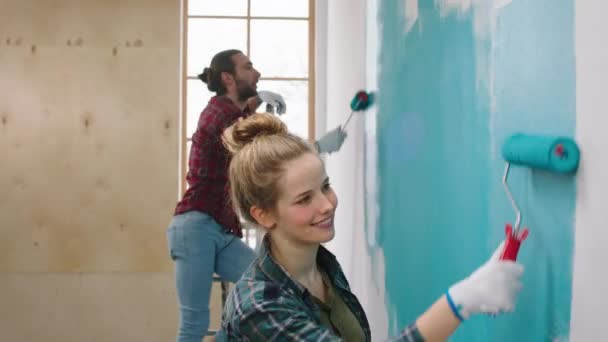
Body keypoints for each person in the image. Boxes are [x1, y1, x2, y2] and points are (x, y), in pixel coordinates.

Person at [214, 113, 524, 341]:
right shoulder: (259, 306)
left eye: (325, 186)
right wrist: (462, 300)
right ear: (265, 215)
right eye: (304, 199)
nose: (326, 204)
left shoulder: (321, 267)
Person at [166, 49, 349, 342]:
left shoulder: (236, 114)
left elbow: (257, 145)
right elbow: (260, 161)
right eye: (248, 67)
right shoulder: (216, 113)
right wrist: (315, 146)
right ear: (228, 78)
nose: (257, 73)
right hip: (194, 227)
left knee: (272, 286)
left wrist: (256, 106)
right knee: (194, 320)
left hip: (219, 229)